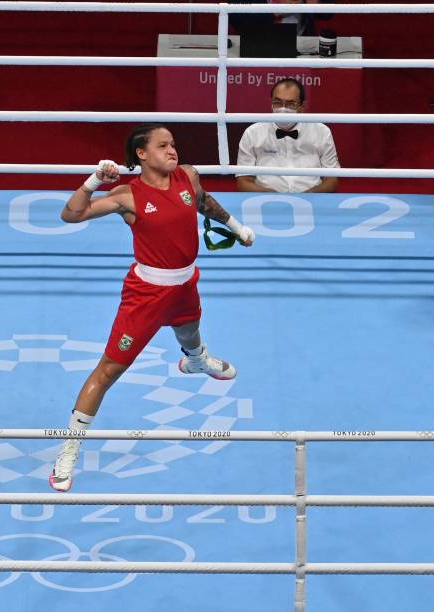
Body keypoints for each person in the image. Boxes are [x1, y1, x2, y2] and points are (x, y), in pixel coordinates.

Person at [48, 124, 256, 493]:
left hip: (185, 283)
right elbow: (72, 215)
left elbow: (204, 202)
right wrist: (94, 179)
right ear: (142, 154)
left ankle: (196, 361)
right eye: (163, 146)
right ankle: (69, 450)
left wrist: (237, 227)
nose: (172, 150)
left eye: (173, 144)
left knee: (190, 328)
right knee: (108, 371)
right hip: (146, 295)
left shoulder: (188, 175)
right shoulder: (127, 194)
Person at [236, 77, 340, 193]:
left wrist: (307, 198)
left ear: (302, 107)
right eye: (277, 102)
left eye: (291, 104)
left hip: (312, 202)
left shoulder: (322, 132)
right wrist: (272, 197)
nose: (283, 108)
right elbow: (243, 181)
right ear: (271, 103)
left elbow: (332, 180)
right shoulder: (252, 133)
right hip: (265, 202)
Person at [229, 0, 333, 37]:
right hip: (256, 44)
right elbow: (235, 16)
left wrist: (315, 2)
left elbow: (326, 14)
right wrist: (274, 12)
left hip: (301, 44)